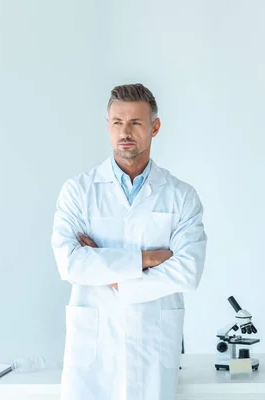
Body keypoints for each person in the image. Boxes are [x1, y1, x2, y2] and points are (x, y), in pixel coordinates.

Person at [51, 83, 207, 400]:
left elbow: (187, 272)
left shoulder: (181, 196)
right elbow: (70, 264)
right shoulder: (79, 192)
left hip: (154, 343)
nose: (126, 132)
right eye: (117, 122)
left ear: (155, 127)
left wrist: (110, 277)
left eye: (136, 122)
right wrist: (146, 260)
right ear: (107, 125)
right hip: (94, 348)